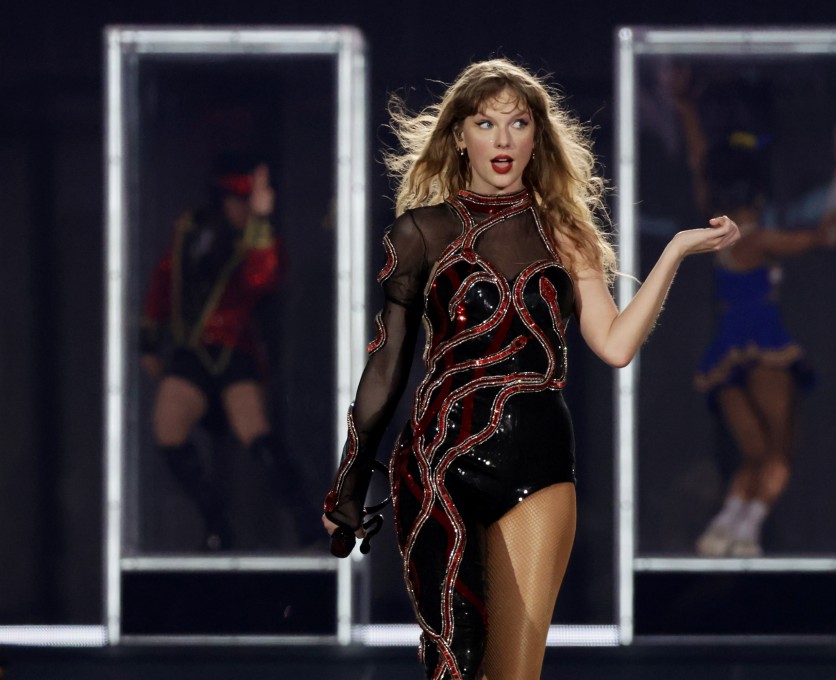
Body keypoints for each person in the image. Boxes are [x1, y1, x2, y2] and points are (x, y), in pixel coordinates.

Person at [321, 58, 739, 679]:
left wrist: (675, 250)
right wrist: (350, 483)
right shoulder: (420, 233)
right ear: (459, 136)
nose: (503, 139)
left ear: (536, 137)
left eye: (519, 123)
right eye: (486, 122)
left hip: (539, 461)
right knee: (453, 665)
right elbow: (388, 364)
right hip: (436, 463)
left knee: (515, 673)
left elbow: (616, 344)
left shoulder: (567, 235)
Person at [671, 76, 836, 558]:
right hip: (763, 347)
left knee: (757, 455)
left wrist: (687, 110)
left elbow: (698, 163)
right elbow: (824, 236)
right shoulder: (753, 238)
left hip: (727, 353)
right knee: (779, 459)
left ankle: (728, 527)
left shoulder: (717, 226)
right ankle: (742, 530)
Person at [141, 152, 319, 550]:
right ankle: (215, 520)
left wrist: (260, 219)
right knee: (168, 430)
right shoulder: (190, 228)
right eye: (234, 200)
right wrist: (150, 335)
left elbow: (263, 277)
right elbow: (166, 278)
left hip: (234, 347)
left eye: (246, 200)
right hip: (192, 349)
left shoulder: (256, 237)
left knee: (255, 432)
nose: (239, 207)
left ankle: (304, 515)